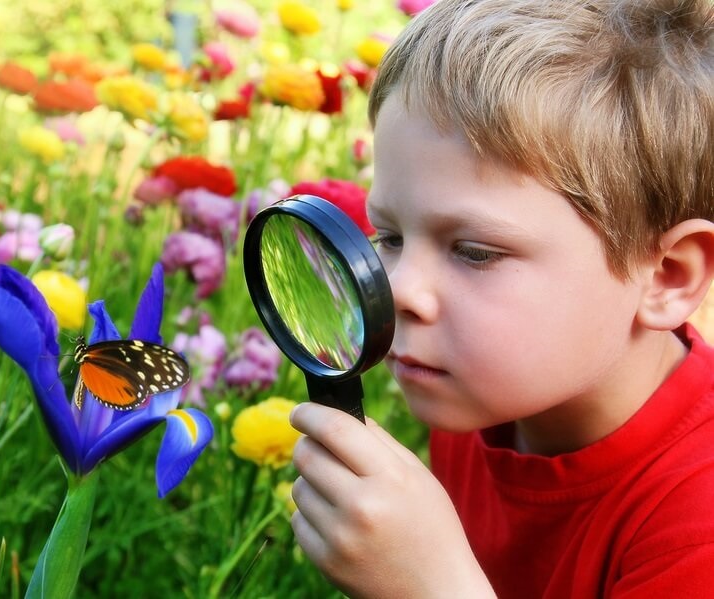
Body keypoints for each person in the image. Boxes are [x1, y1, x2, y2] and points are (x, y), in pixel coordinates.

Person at [288, 0, 714, 596]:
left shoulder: (697, 536)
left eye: (475, 252)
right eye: (389, 236)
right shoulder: (475, 397)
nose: (401, 289)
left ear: (667, 276)